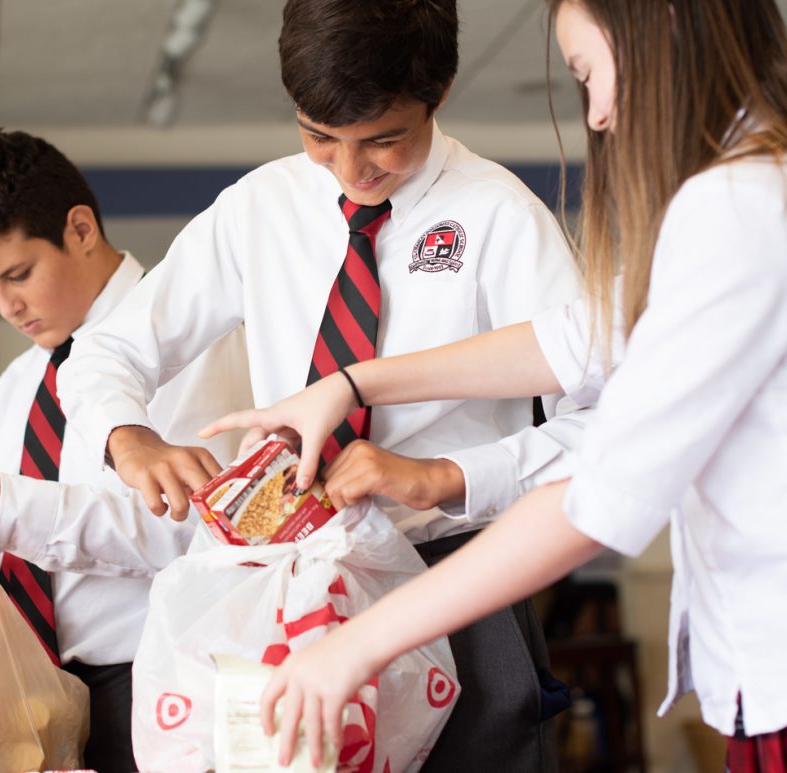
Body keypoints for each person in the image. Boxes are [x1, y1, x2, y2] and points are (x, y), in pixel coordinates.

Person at [203, 1, 787, 769]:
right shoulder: (739, 194)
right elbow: (578, 337)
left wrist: (360, 643)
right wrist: (350, 383)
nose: (601, 114)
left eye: (587, 73)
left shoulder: (739, 208)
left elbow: (600, 494)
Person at [58, 1, 590, 769]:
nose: (351, 169)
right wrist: (125, 434)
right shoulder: (257, 211)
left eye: (383, 140)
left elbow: (598, 429)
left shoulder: (501, 217)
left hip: (457, 571)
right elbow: (107, 350)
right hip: (289, 583)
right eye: (318, 137)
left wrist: (441, 476)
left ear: (436, 99)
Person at [0, 129, 252, 771]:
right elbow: (15, 544)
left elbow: (203, 530)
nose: (8, 306)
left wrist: (10, 511)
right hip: (36, 703)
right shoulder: (14, 389)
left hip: (161, 683)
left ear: (80, 229)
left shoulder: (199, 347)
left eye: (19, 275)